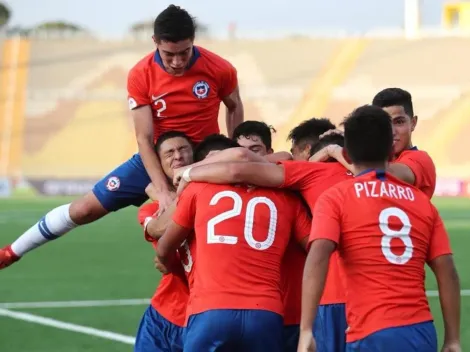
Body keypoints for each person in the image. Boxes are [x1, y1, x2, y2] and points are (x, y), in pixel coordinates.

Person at [0, 5, 244, 269]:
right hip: (154, 158)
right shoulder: (141, 75)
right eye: (169, 54)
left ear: (193, 41)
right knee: (83, 210)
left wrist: (232, 151)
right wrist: (162, 191)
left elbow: (234, 106)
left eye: (184, 53)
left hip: (200, 161)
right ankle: (11, 252)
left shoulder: (219, 68)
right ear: (155, 42)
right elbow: (143, 136)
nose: (177, 62)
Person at [173, 124, 351, 352]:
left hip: (300, 306)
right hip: (284, 309)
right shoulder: (382, 175)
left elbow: (238, 161)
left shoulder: (295, 179)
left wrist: (188, 173)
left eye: (256, 149)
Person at [299, 105, 461, 352]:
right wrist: (452, 339)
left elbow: (318, 256)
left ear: (347, 155)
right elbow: (447, 270)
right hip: (420, 331)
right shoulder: (421, 202)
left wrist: (307, 329)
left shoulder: (336, 197)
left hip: (370, 332)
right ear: (390, 150)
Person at [155, 136, 311, 351]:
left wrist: (165, 262)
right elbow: (315, 246)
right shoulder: (287, 197)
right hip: (265, 312)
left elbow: (164, 246)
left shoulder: (198, 190)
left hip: (209, 310)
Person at [312, 88, 436, 198]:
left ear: (413, 123)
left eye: (399, 122)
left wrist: (333, 150)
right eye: (385, 124)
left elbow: (377, 173)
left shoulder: (420, 160)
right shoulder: (372, 156)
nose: (392, 131)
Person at [133, 131, 194, 352]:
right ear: (159, 164)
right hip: (163, 314)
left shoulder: (215, 202)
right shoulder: (150, 210)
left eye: (183, 149)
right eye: (169, 153)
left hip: (204, 317)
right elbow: (158, 230)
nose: (177, 156)